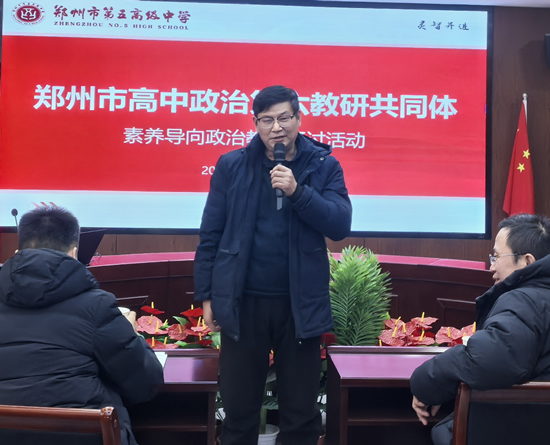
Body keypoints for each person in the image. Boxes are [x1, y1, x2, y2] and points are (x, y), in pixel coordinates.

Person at [194, 85, 352, 445]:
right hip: (243, 303)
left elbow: (340, 224)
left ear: (299, 118)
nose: (276, 127)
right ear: (255, 123)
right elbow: (210, 235)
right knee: (238, 413)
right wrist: (207, 295)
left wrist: (298, 192)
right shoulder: (232, 165)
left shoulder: (323, 165)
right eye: (267, 120)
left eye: (284, 118)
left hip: (299, 306)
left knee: (300, 415)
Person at [410, 213, 550, 445]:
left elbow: (490, 360)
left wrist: (425, 383)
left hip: (526, 430)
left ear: (527, 261)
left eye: (497, 256)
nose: (491, 266)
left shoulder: (524, 300)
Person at [0, 206, 164, 445]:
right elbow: (145, 385)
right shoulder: (97, 306)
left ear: (16, 253)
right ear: (74, 253)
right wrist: (131, 334)